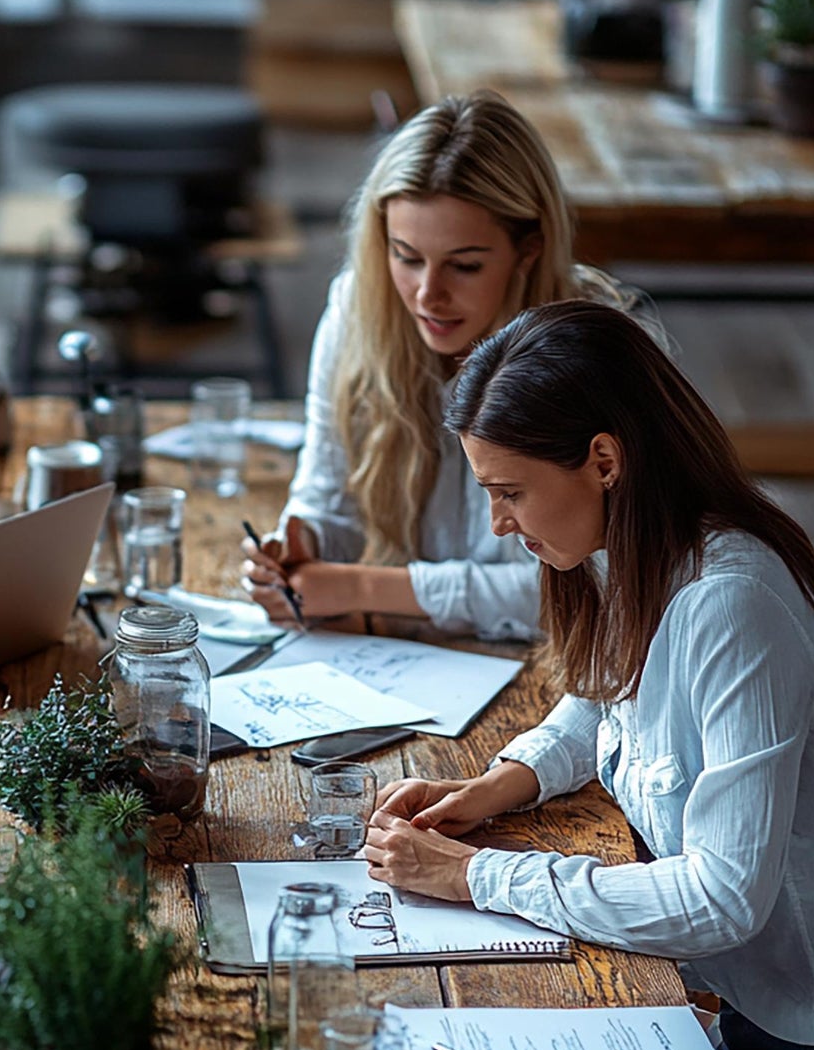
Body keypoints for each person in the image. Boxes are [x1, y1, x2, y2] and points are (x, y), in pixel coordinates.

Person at [364, 299, 814, 1050]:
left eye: (511, 491)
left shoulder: (731, 603)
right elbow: (607, 698)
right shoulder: (639, 548)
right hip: (742, 1029)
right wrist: (500, 783)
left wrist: (477, 877)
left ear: (604, 461)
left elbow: (723, 899)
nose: (497, 523)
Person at [244, 90, 656, 641]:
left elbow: (602, 579)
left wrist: (363, 589)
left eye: (463, 266)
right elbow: (325, 496)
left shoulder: (598, 348)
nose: (426, 295)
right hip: (412, 651)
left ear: (528, 250)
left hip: (567, 662)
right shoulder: (358, 311)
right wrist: (298, 550)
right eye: (406, 257)